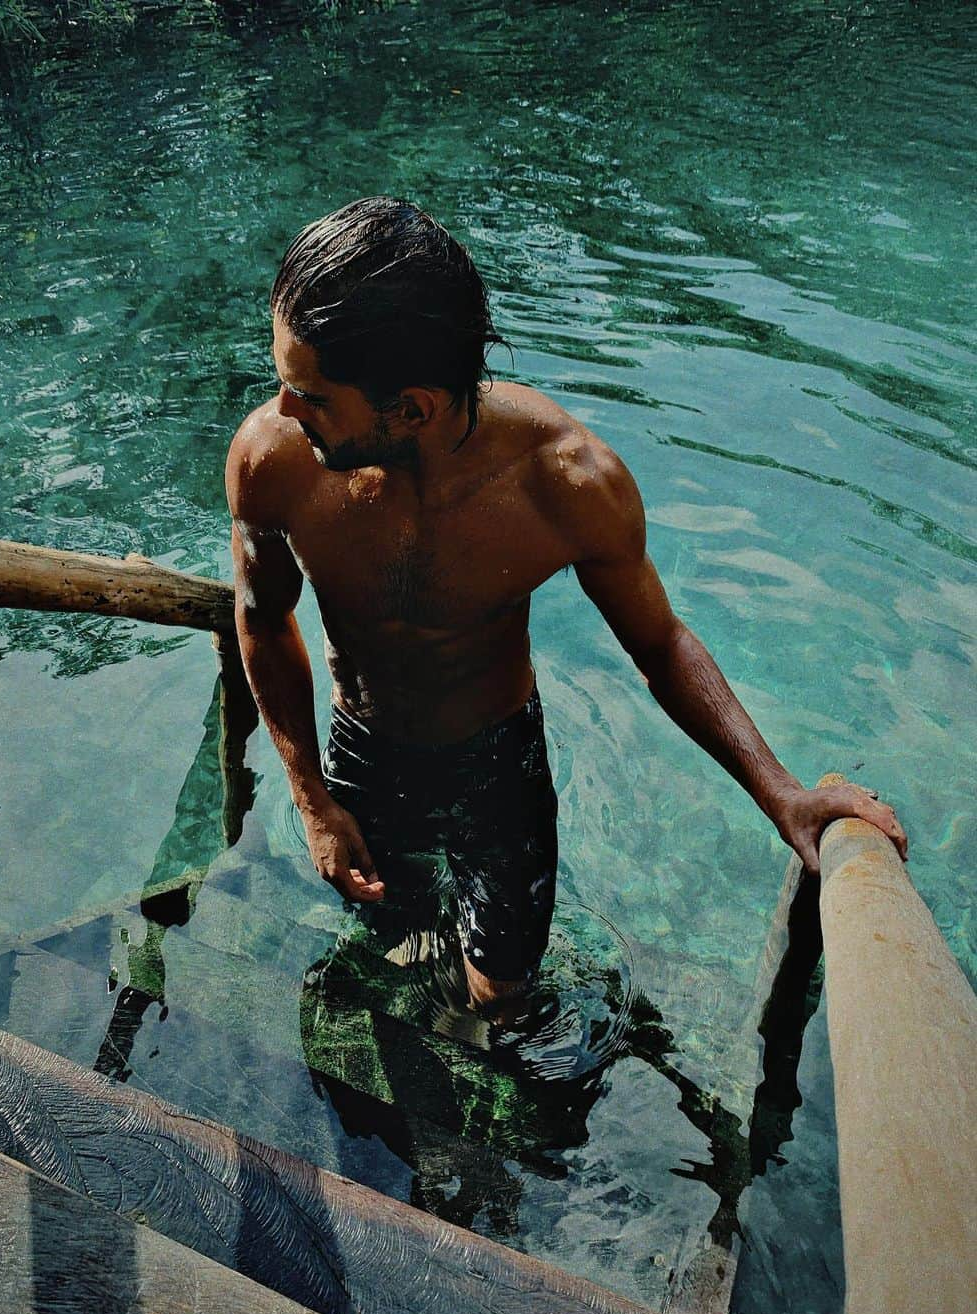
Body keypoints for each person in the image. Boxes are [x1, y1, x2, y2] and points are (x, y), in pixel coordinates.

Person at [225, 196, 907, 1016]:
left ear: (413, 407)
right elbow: (263, 617)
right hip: (363, 749)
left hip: (497, 765)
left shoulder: (567, 483)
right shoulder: (271, 462)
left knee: (500, 995)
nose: (283, 410)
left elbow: (659, 645)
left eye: (311, 394)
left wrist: (779, 792)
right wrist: (312, 801)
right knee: (394, 941)